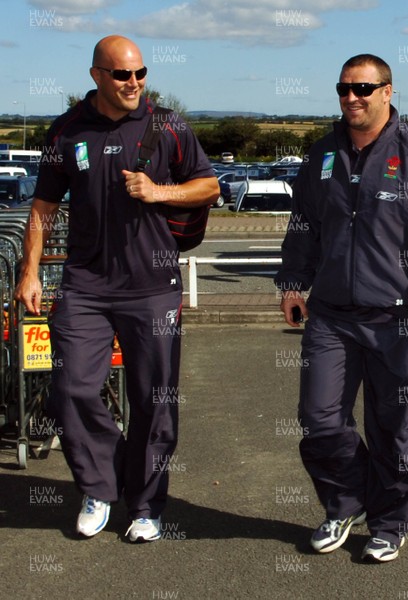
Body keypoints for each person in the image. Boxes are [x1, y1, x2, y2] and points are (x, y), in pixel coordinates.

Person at [15, 35, 219, 543]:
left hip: (152, 285)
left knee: (155, 399)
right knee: (71, 389)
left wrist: (159, 191)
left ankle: (147, 505)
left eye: (141, 73)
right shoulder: (66, 131)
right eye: (122, 75)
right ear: (96, 76)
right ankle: (100, 487)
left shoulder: (167, 124)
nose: (134, 84)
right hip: (85, 285)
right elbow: (42, 210)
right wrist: (29, 272)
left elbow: (209, 185)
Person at [275, 54, 408, 562]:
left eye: (363, 88)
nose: (351, 97)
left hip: (397, 318)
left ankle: (390, 523)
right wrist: (294, 283)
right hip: (332, 316)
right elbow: (303, 228)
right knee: (319, 418)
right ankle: (345, 503)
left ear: (387, 91)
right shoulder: (322, 156)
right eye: (343, 88)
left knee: (394, 424)